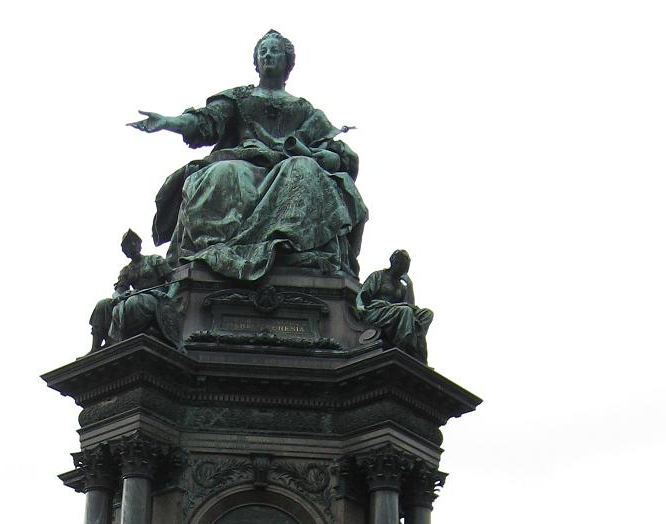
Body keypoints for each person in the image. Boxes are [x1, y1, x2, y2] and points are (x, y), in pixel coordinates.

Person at [132, 29, 368, 283]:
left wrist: (324, 155)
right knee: (222, 174)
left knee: (304, 168)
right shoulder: (240, 98)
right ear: (255, 62)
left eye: (274, 51)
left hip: (286, 164)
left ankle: (285, 244)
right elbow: (205, 121)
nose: (268, 55)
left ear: (288, 62)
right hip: (245, 160)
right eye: (262, 51)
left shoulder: (304, 109)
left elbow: (331, 148)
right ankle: (219, 249)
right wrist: (168, 122)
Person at [88, 229, 179, 351]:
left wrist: (169, 296)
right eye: (127, 245)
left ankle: (127, 339)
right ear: (125, 251)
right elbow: (119, 290)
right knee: (102, 305)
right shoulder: (126, 270)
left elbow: (174, 280)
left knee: (133, 303)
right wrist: (118, 297)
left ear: (140, 244)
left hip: (155, 297)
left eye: (134, 242)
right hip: (136, 296)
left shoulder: (154, 260)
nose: (132, 246)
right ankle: (95, 348)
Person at [355, 249, 433, 363]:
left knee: (427, 314)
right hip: (377, 311)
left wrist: (409, 285)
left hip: (396, 314)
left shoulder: (402, 287)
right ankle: (403, 347)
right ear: (393, 262)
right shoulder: (378, 276)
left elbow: (411, 306)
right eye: (400, 263)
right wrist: (361, 308)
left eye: (405, 266)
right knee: (405, 311)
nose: (402, 267)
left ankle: (415, 345)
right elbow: (363, 295)